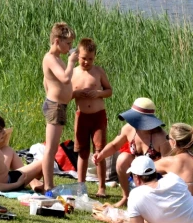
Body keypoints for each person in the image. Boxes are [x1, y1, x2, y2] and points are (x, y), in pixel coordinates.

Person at [92, 97, 171, 208]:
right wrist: (101, 155)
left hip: (155, 177)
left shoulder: (161, 137)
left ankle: (154, 199)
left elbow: (168, 166)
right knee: (122, 158)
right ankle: (126, 197)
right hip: (136, 174)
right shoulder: (129, 129)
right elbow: (114, 145)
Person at [71, 38, 113, 197]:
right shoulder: (73, 73)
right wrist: (76, 94)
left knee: (100, 151)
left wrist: (99, 93)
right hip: (81, 117)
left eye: (90, 59)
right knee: (82, 152)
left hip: (98, 117)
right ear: (77, 55)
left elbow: (109, 90)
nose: (86, 62)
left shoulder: (98, 72)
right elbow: (66, 96)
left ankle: (102, 187)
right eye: (83, 58)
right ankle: (81, 186)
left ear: (94, 57)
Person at [39, 22, 78, 194]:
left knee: (53, 147)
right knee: (51, 148)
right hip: (55, 107)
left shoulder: (57, 59)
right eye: (68, 43)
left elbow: (46, 82)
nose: (70, 47)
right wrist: (71, 62)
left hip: (58, 106)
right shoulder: (50, 58)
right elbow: (64, 79)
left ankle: (47, 182)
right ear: (56, 41)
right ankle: (48, 185)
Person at [154, 124, 193, 199]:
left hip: (185, 208)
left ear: (174, 142)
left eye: (168, 138)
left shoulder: (171, 161)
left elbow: (143, 169)